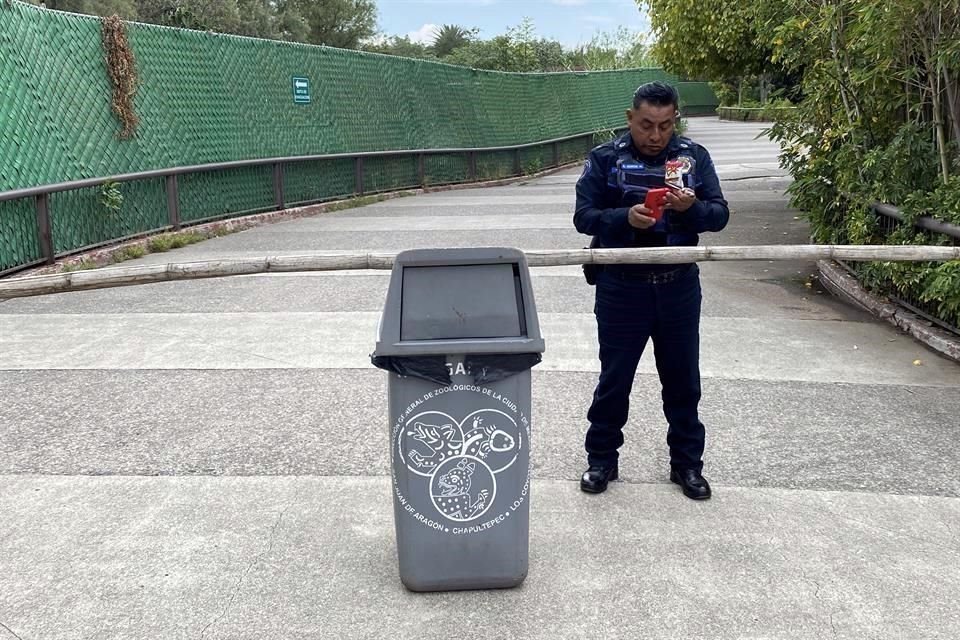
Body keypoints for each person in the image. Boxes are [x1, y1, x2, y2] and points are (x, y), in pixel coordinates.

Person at [573, 81, 729, 499]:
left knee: (682, 381)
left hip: (678, 285)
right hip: (621, 287)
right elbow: (583, 216)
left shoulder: (694, 157)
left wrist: (690, 208)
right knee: (614, 379)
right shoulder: (604, 159)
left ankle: (687, 466)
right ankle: (601, 460)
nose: (656, 135)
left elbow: (719, 215)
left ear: (675, 118)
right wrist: (626, 218)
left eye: (664, 125)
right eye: (646, 125)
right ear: (630, 118)